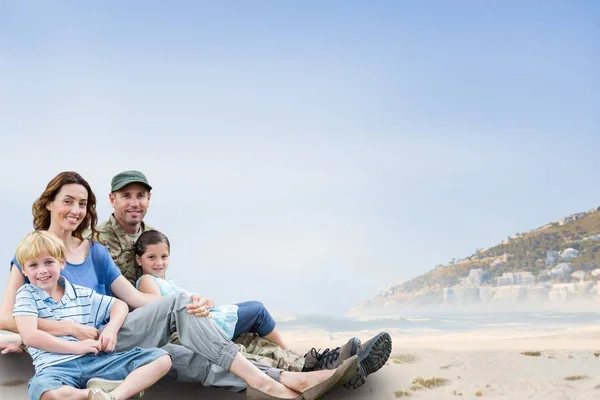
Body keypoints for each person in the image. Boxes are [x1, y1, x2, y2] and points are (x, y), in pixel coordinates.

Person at [0, 171, 361, 400]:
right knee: (182, 356)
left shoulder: (93, 250)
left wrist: (189, 302)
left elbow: (133, 299)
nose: (76, 210)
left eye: (82, 203)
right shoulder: (32, 256)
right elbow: (7, 317)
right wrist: (64, 328)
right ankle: (280, 382)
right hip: (80, 347)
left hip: (115, 334)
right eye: (68, 201)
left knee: (181, 311)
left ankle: (289, 378)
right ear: (49, 202)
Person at [95, 170, 392, 386]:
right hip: (137, 328)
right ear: (112, 199)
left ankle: (317, 363)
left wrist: (193, 300)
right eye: (126, 196)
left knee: (246, 336)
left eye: (141, 195)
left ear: (148, 199)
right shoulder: (97, 242)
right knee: (229, 349)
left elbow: (163, 282)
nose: (134, 202)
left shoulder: (148, 234)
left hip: (171, 315)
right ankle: (310, 371)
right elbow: (119, 297)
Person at [12, 230, 172, 400]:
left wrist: (111, 329)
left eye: (49, 262)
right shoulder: (26, 294)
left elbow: (120, 305)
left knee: (161, 359)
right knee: (44, 390)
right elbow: (30, 336)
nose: (42, 270)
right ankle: (91, 394)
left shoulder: (80, 293)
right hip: (56, 368)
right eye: (33, 265)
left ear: (62, 263)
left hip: (97, 361)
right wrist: (77, 347)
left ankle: (113, 396)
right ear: (24, 270)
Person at [134, 229, 284, 347]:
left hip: (207, 318)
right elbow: (163, 308)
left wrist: (207, 302)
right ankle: (287, 351)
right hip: (200, 328)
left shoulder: (167, 283)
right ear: (139, 260)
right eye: (152, 257)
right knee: (258, 311)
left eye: (164, 256)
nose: (159, 262)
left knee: (253, 307)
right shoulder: (146, 280)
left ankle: (282, 352)